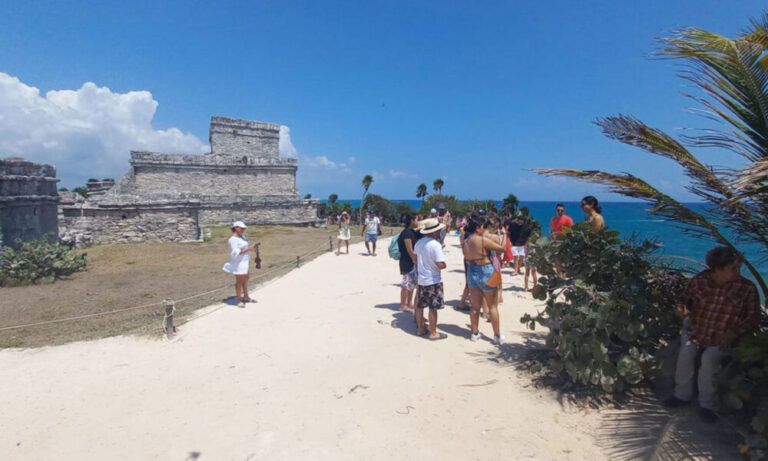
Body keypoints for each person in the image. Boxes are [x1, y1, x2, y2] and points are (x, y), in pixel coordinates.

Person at [664, 247, 761, 422]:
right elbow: (684, 298)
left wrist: (734, 333)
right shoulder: (700, 280)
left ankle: (707, 405)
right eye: (733, 268)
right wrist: (681, 307)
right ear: (718, 269)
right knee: (686, 354)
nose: (737, 271)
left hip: (723, 338)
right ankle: (681, 395)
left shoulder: (746, 288)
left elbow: (753, 317)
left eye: (738, 267)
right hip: (697, 332)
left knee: (708, 360)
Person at [462, 216, 508, 345]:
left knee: (475, 306)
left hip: (472, 270)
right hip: (485, 270)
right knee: (492, 306)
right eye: (482, 227)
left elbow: (466, 256)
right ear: (477, 228)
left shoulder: (465, 241)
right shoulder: (482, 240)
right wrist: (505, 235)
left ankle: (474, 333)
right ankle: (497, 335)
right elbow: (503, 248)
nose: (483, 229)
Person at [413, 218, 448, 340]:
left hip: (421, 279)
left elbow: (416, 258)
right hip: (433, 280)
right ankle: (433, 332)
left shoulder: (418, 243)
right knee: (433, 307)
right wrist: (444, 265)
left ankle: (420, 329)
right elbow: (440, 264)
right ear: (434, 231)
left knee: (420, 306)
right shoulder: (435, 245)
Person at [222, 221, 260, 307]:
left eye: (244, 228)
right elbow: (235, 253)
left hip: (245, 261)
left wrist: (253, 248)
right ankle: (239, 299)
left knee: (246, 279)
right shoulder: (233, 240)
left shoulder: (242, 237)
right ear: (236, 228)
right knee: (239, 281)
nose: (243, 230)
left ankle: (246, 296)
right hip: (238, 263)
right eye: (241, 228)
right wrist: (249, 248)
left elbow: (245, 247)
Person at [397, 215, 421, 312]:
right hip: (407, 262)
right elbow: (410, 250)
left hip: (412, 262)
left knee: (412, 284)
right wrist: (415, 260)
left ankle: (409, 303)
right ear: (411, 221)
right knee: (406, 284)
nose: (418, 221)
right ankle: (403, 305)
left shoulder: (413, 232)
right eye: (417, 220)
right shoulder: (407, 233)